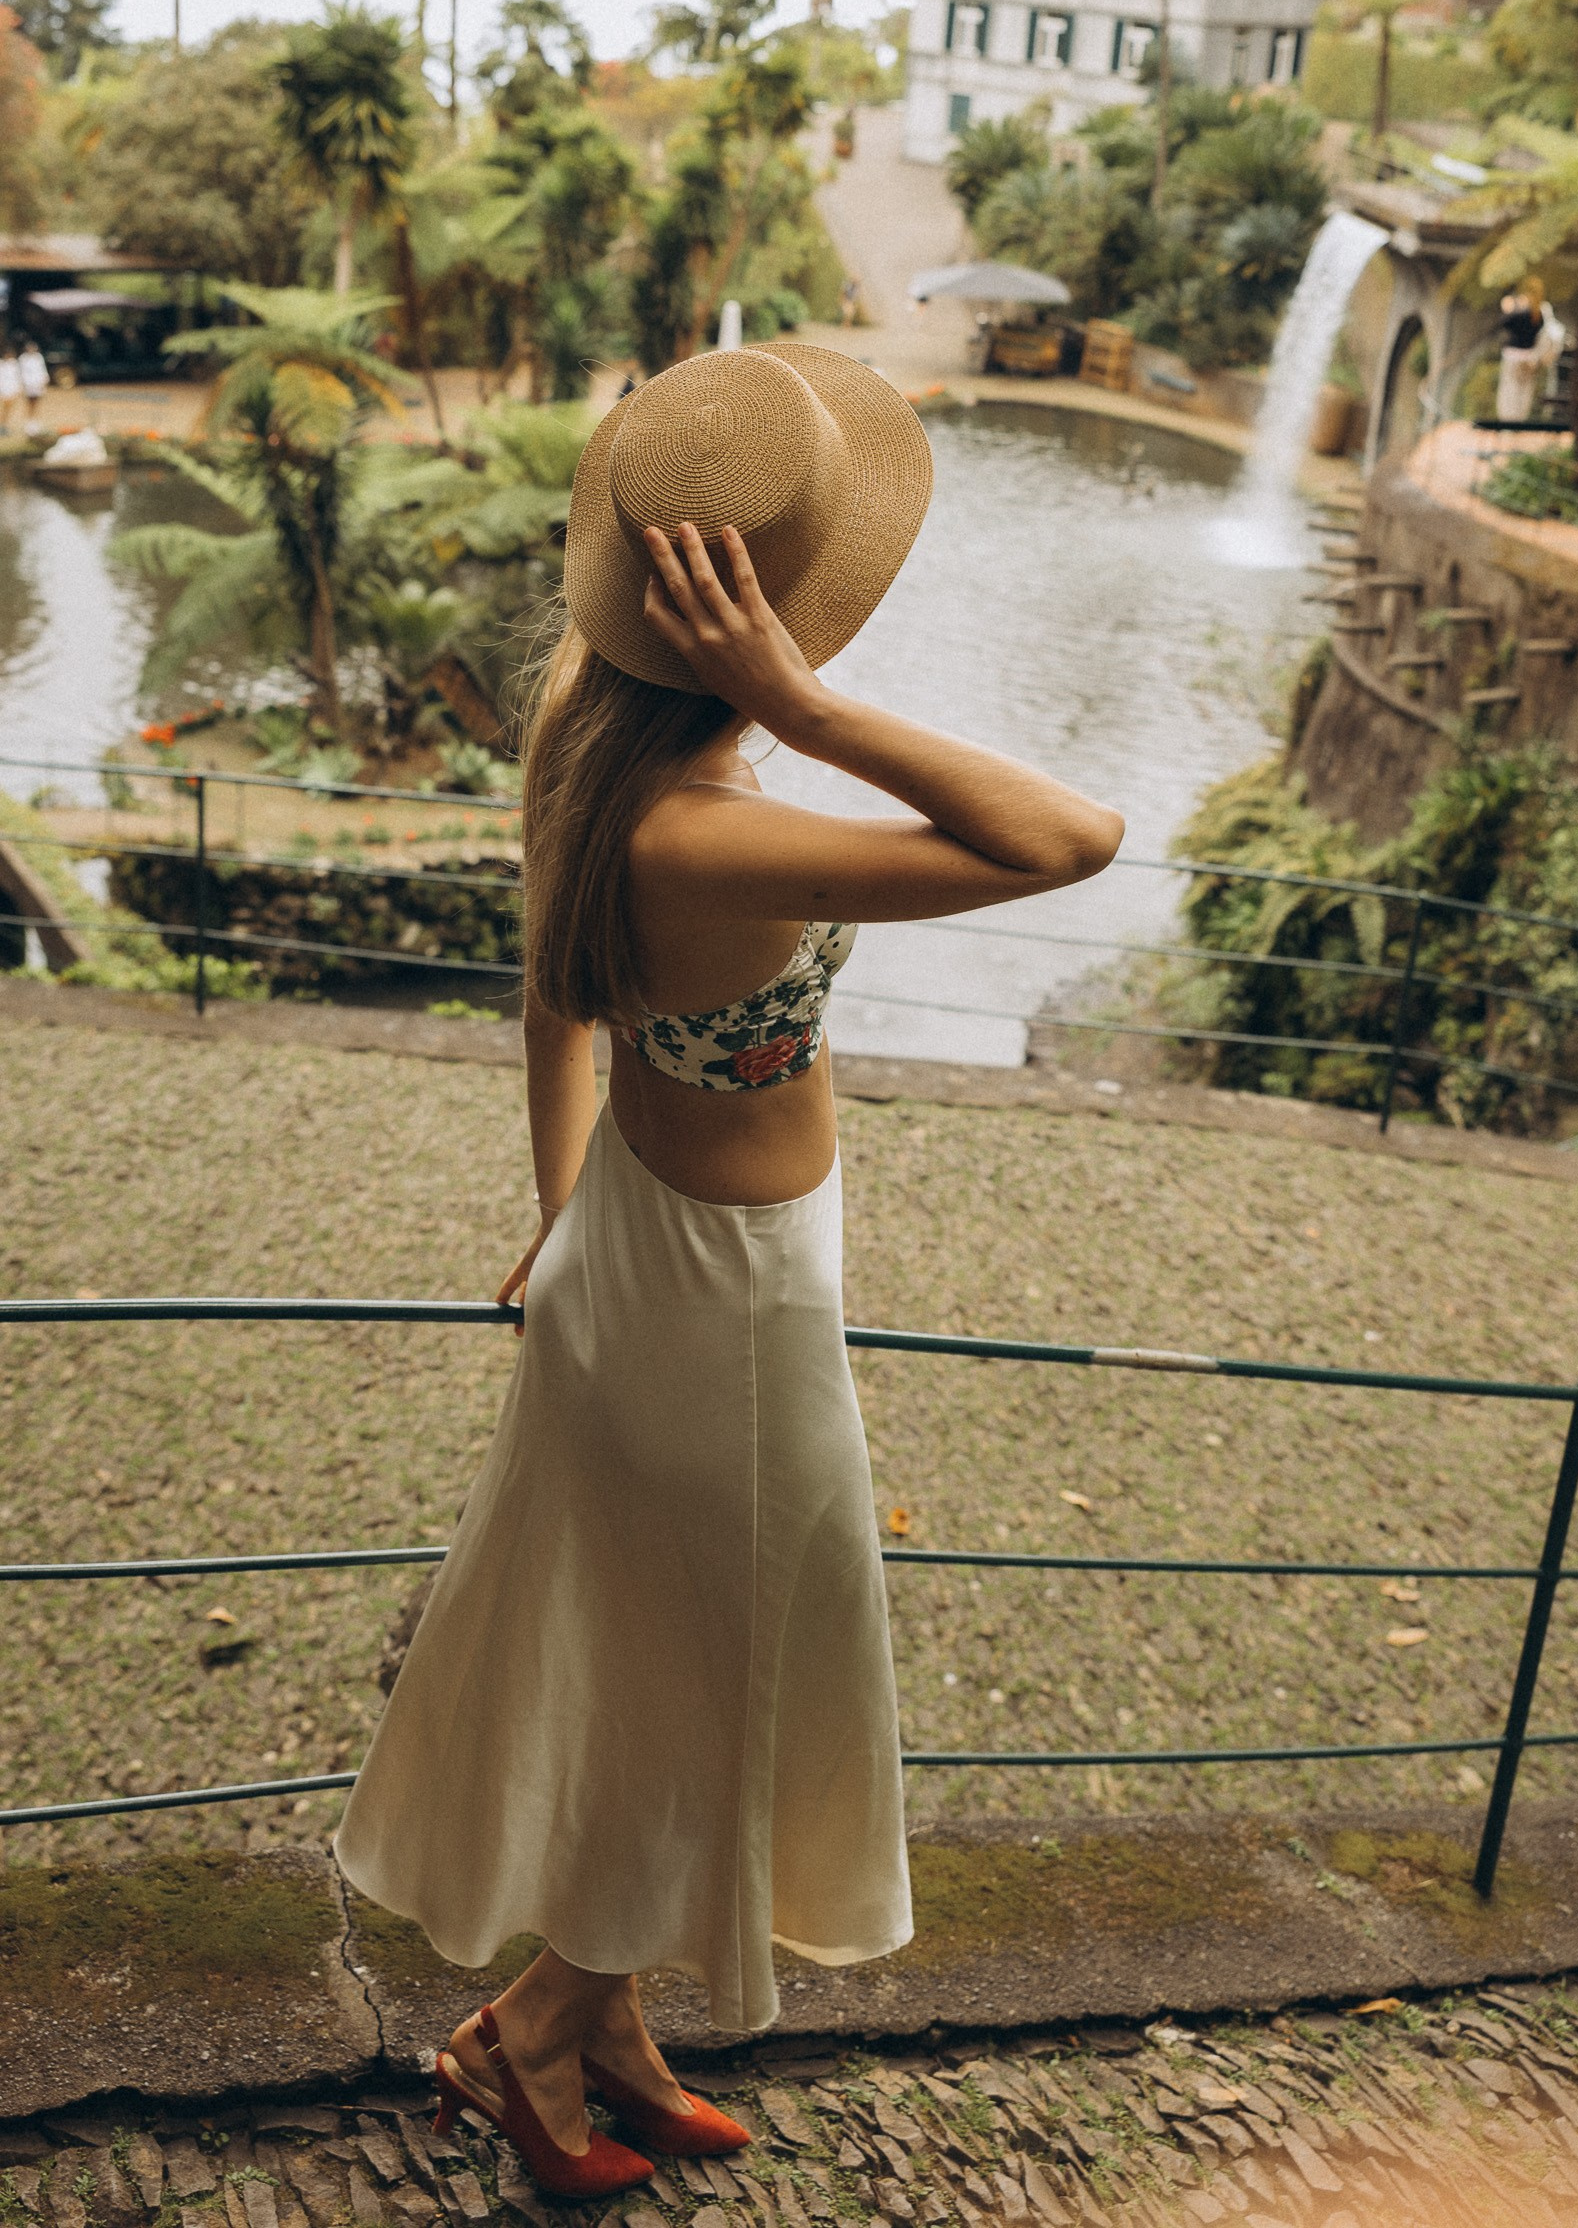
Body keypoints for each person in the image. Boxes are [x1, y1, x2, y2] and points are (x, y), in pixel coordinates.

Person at [335, 345, 1123, 2198]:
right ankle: (524, 2039)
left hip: (630, 1244)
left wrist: (553, 1211)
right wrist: (809, 705)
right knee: (735, 1670)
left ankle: (602, 2025)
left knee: (657, 1655)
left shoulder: (584, 746)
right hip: (731, 1304)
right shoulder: (723, 825)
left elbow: (551, 1006)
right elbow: (1069, 840)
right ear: (752, 616)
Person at [1495, 279, 1552, 425]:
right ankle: (1520, 422)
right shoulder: (1540, 312)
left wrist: (1509, 308)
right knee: (1524, 391)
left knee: (1510, 391)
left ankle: (1508, 423)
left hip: (1513, 356)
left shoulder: (1520, 310)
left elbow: (1505, 323)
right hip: (1530, 357)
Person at [16, 338, 49, 428]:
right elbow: (20, 371)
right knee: (29, 403)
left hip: (37, 383)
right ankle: (28, 422)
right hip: (28, 383)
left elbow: (42, 369)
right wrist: (22, 383)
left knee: (36, 403)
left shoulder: (38, 357)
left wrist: (44, 380)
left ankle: (35, 421)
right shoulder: (23, 358)